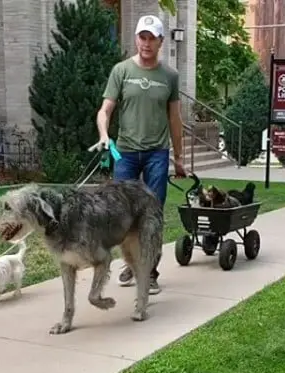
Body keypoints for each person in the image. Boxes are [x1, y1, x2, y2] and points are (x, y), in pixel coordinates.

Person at [95, 14, 186, 295]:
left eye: (152, 38)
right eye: (142, 37)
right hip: (124, 153)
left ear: (161, 42)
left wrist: (179, 157)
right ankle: (131, 264)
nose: (146, 43)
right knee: (122, 213)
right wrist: (103, 135)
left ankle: (151, 270)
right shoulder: (121, 71)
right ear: (136, 39)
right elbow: (105, 110)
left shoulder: (169, 76)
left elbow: (175, 118)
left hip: (157, 153)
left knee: (152, 214)